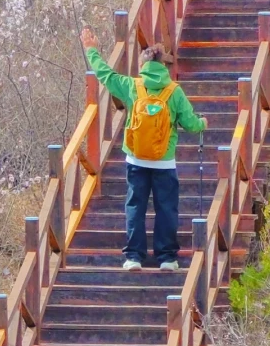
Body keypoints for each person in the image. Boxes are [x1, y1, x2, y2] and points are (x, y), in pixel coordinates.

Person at [80, 28, 207, 271]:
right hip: (164, 162)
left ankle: (134, 257)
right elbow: (191, 125)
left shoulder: (132, 86)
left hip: (136, 159)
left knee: (135, 206)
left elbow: (105, 75)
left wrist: (92, 50)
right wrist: (202, 123)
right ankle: (167, 258)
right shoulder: (174, 91)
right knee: (166, 208)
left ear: (143, 65)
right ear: (164, 66)